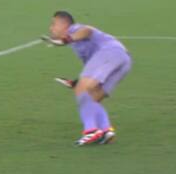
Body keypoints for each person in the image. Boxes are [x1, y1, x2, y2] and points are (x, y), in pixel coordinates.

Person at [42, 11, 132, 146]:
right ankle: (107, 131)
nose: (51, 28)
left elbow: (87, 30)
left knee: (82, 91)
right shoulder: (78, 45)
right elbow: (93, 72)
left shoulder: (75, 29)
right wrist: (76, 82)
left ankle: (91, 131)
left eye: (53, 24)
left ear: (64, 24)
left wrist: (66, 40)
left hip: (109, 52)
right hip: (124, 61)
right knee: (92, 97)